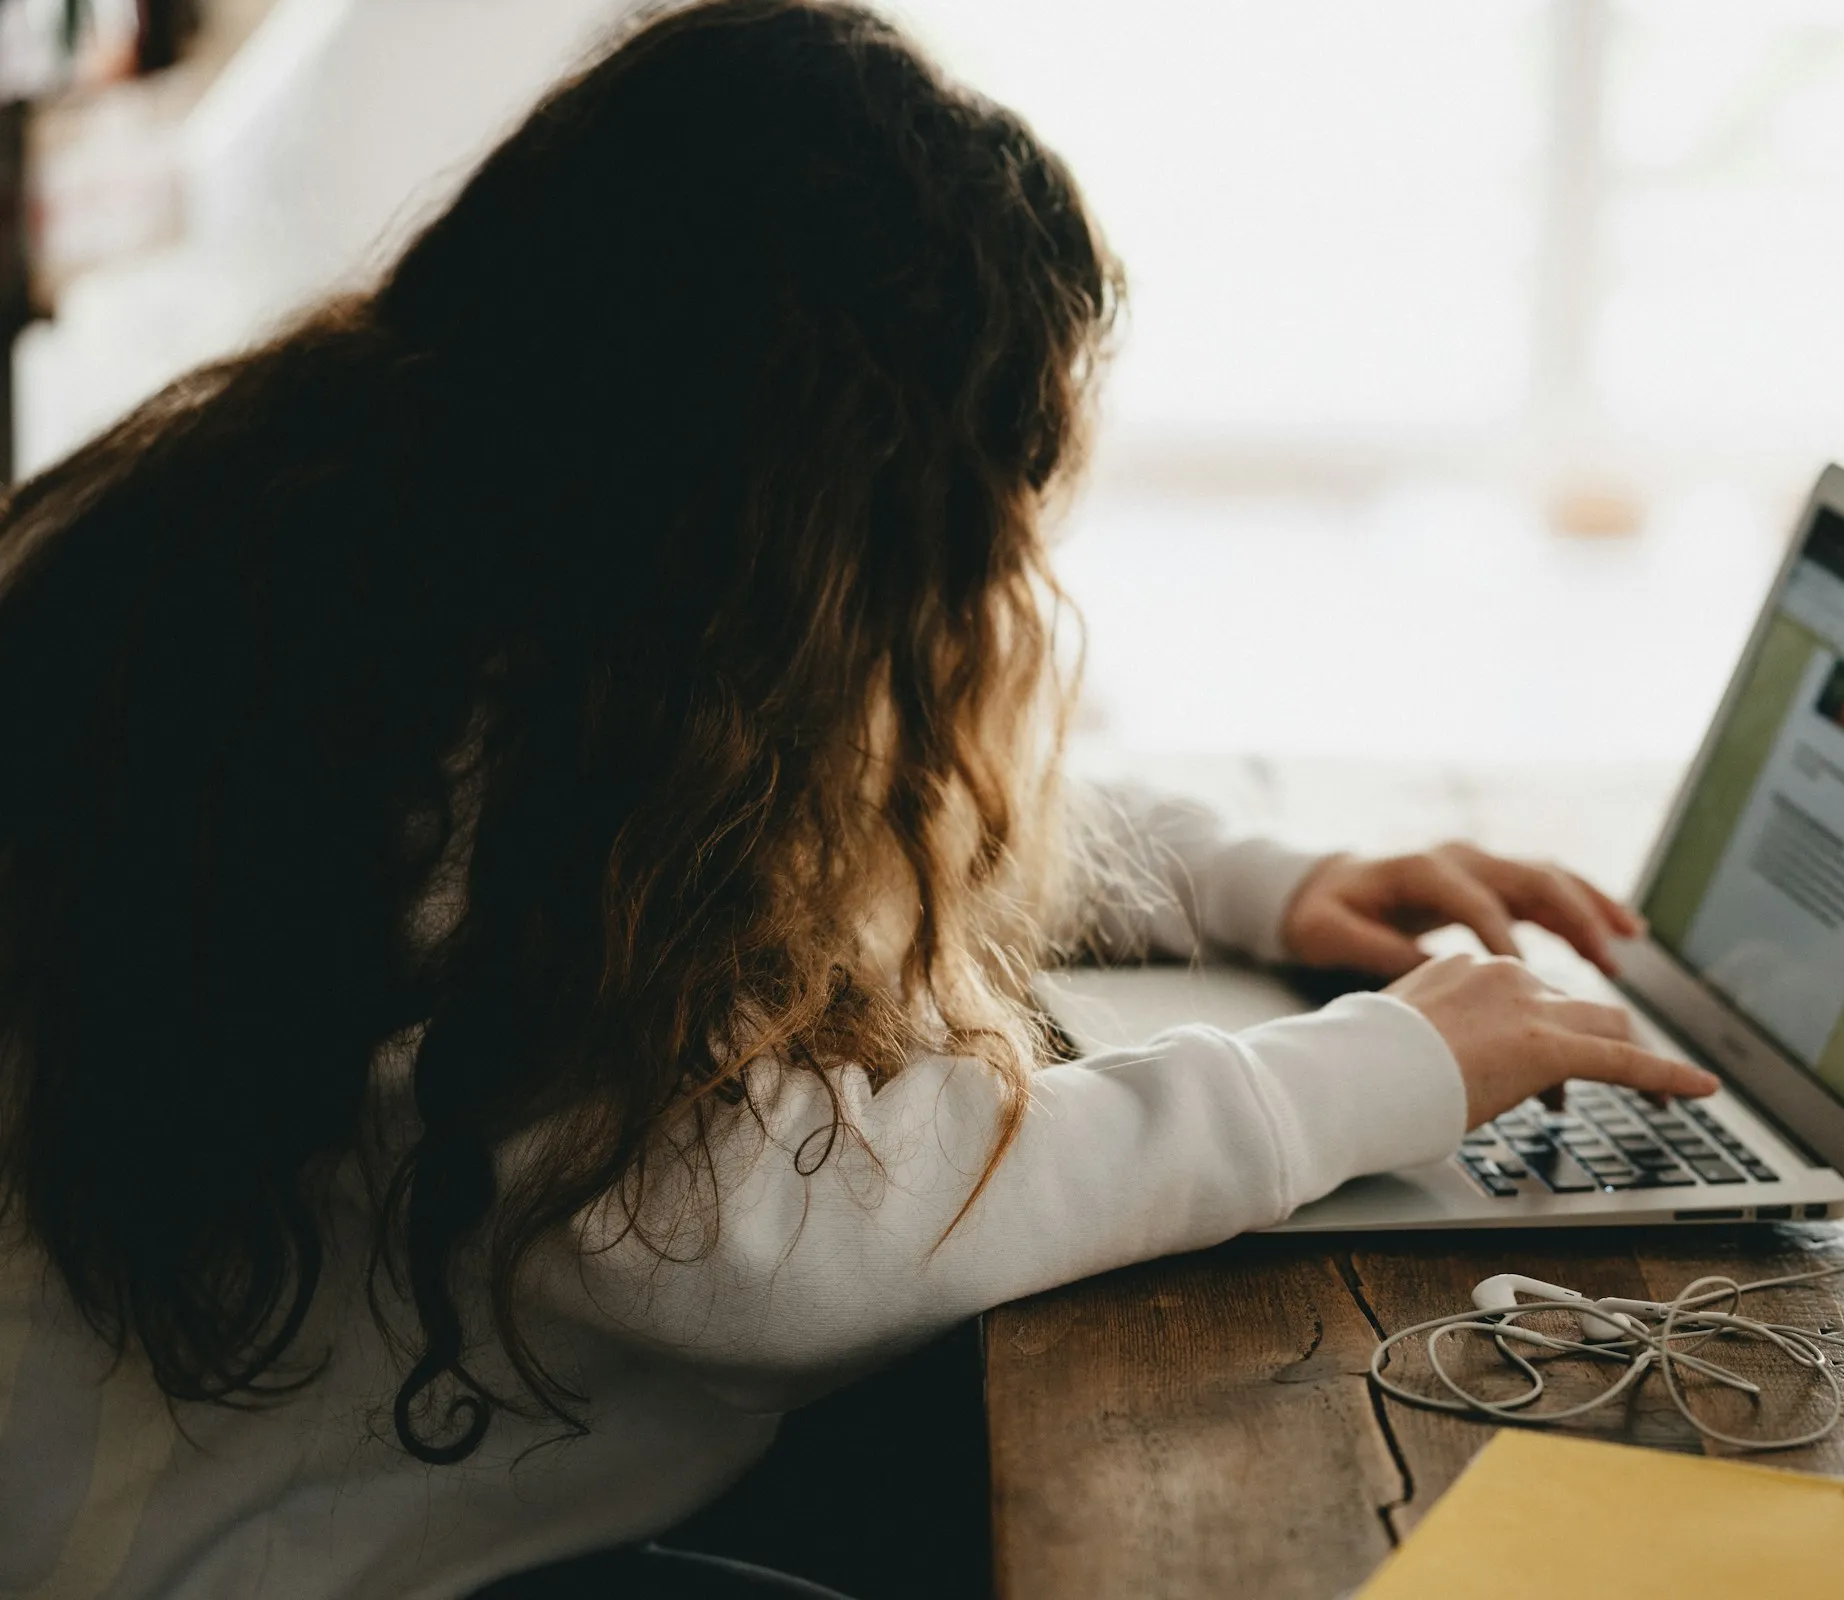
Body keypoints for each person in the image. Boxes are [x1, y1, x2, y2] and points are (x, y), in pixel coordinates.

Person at [0, 3, 1717, 1595]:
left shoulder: (414, 543)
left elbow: (829, 816)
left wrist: (1252, 882)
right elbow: (743, 1245)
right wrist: (1346, 1085)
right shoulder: (429, 759)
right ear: (808, 518)